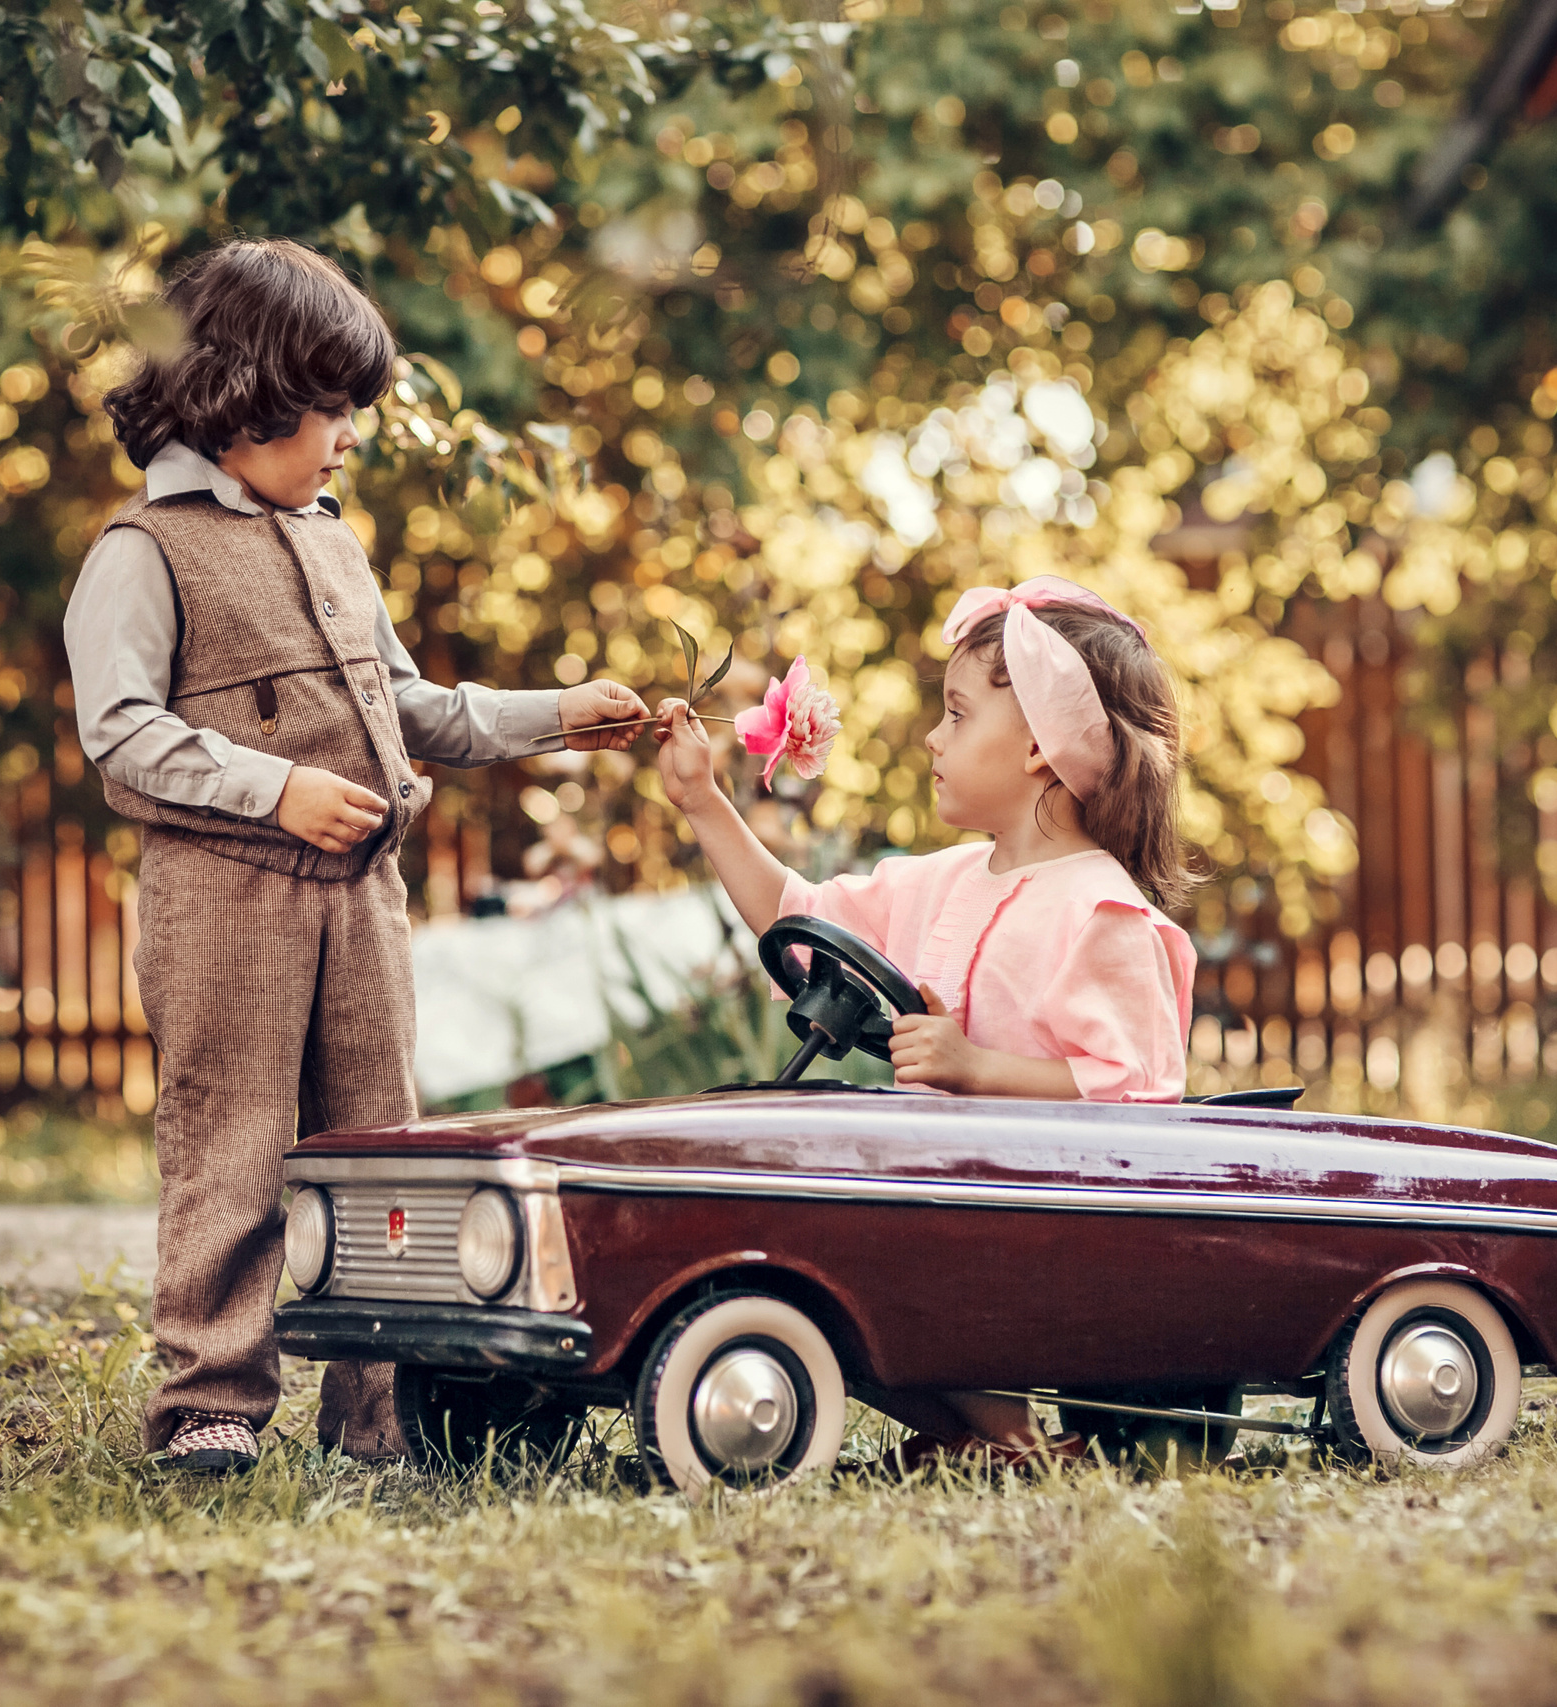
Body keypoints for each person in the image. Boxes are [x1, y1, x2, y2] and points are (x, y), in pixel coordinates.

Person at [64, 238, 646, 1473]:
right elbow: (119, 736)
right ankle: (212, 1399)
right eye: (328, 408)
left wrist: (556, 714)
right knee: (233, 1144)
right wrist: (275, 790)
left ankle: (380, 1411)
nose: (346, 437)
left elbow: (409, 704)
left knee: (383, 1149)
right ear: (244, 395)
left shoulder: (330, 539)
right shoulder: (142, 551)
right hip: (225, 902)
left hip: (362, 899)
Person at [653, 574, 1197, 1468]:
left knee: (863, 1253)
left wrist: (977, 1068)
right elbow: (799, 915)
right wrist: (703, 802)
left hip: (1039, 1229)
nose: (934, 737)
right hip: (949, 1205)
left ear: (1038, 746)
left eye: (957, 714)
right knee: (814, 1240)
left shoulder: (1100, 909)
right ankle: (982, 1436)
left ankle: (1016, 1439)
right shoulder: (945, 879)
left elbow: (1136, 1096)